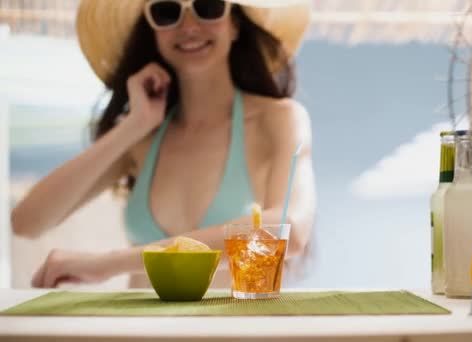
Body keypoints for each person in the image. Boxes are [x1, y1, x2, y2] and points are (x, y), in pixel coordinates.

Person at [11, 0, 316, 288]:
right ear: (152, 29)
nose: (189, 26)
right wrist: (134, 125)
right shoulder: (142, 138)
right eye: (167, 11)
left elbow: (287, 231)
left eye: (207, 7)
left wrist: (107, 264)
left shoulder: (278, 120)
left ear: (234, 24)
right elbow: (27, 221)